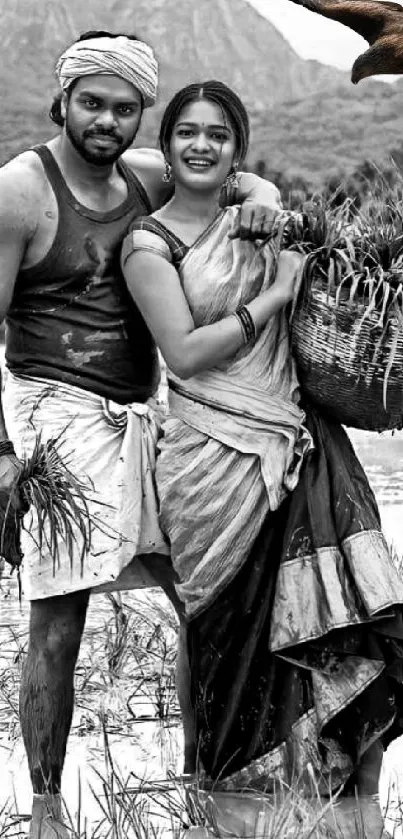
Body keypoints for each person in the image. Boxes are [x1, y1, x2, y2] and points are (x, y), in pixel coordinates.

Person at [0, 31, 283, 839]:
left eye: (126, 109)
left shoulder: (145, 175)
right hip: (53, 412)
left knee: (195, 590)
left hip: (139, 412)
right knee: (59, 616)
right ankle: (47, 805)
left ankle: (201, 775)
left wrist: (258, 189)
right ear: (63, 101)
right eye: (92, 104)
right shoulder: (20, 191)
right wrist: (1, 453)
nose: (107, 122)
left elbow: (233, 172)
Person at [121, 79, 403, 825]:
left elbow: (265, 203)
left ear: (237, 147)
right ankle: (230, 792)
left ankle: (355, 804)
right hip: (207, 460)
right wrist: (270, 297)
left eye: (219, 133)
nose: (202, 145)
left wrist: (262, 201)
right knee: (219, 623)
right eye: (187, 131)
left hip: (298, 439)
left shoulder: (261, 215)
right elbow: (181, 353)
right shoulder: (148, 243)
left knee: (347, 614)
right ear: (166, 143)